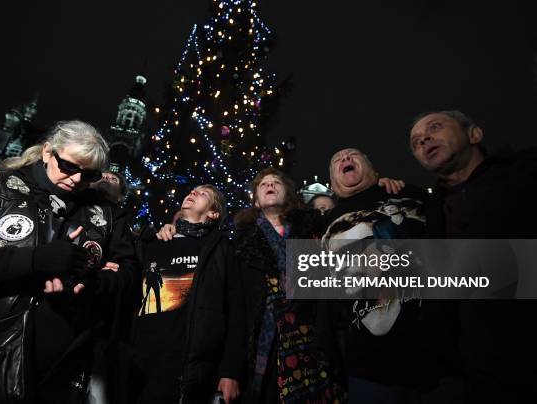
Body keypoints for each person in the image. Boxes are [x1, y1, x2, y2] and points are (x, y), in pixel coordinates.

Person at [0, 120, 136, 403]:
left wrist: (90, 281)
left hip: (53, 380)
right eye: (69, 167)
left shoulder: (107, 216)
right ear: (48, 152)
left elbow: (129, 278)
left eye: (88, 175)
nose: (76, 180)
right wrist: (34, 261)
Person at [410, 110, 537, 403]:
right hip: (479, 369)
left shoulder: (525, 174)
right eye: (416, 142)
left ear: (474, 134)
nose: (424, 139)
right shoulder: (430, 210)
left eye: (435, 127)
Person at [321, 148, 462, 404]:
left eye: (353, 155)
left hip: (438, 353)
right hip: (369, 366)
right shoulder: (324, 223)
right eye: (337, 160)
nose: (345, 159)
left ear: (375, 171)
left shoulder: (411, 195)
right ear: (332, 183)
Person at [127, 184, 244, 404]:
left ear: (213, 213)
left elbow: (236, 312)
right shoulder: (152, 242)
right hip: (142, 365)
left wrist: (231, 371)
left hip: (191, 370)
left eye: (203, 194)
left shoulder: (221, 249)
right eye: (192, 190)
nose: (193, 193)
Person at [234, 167, 342, 403]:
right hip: (265, 341)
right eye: (263, 184)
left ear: (289, 196)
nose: (270, 185)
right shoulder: (240, 242)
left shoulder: (312, 230)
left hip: (312, 336)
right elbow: (237, 307)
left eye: (276, 183)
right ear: (255, 199)